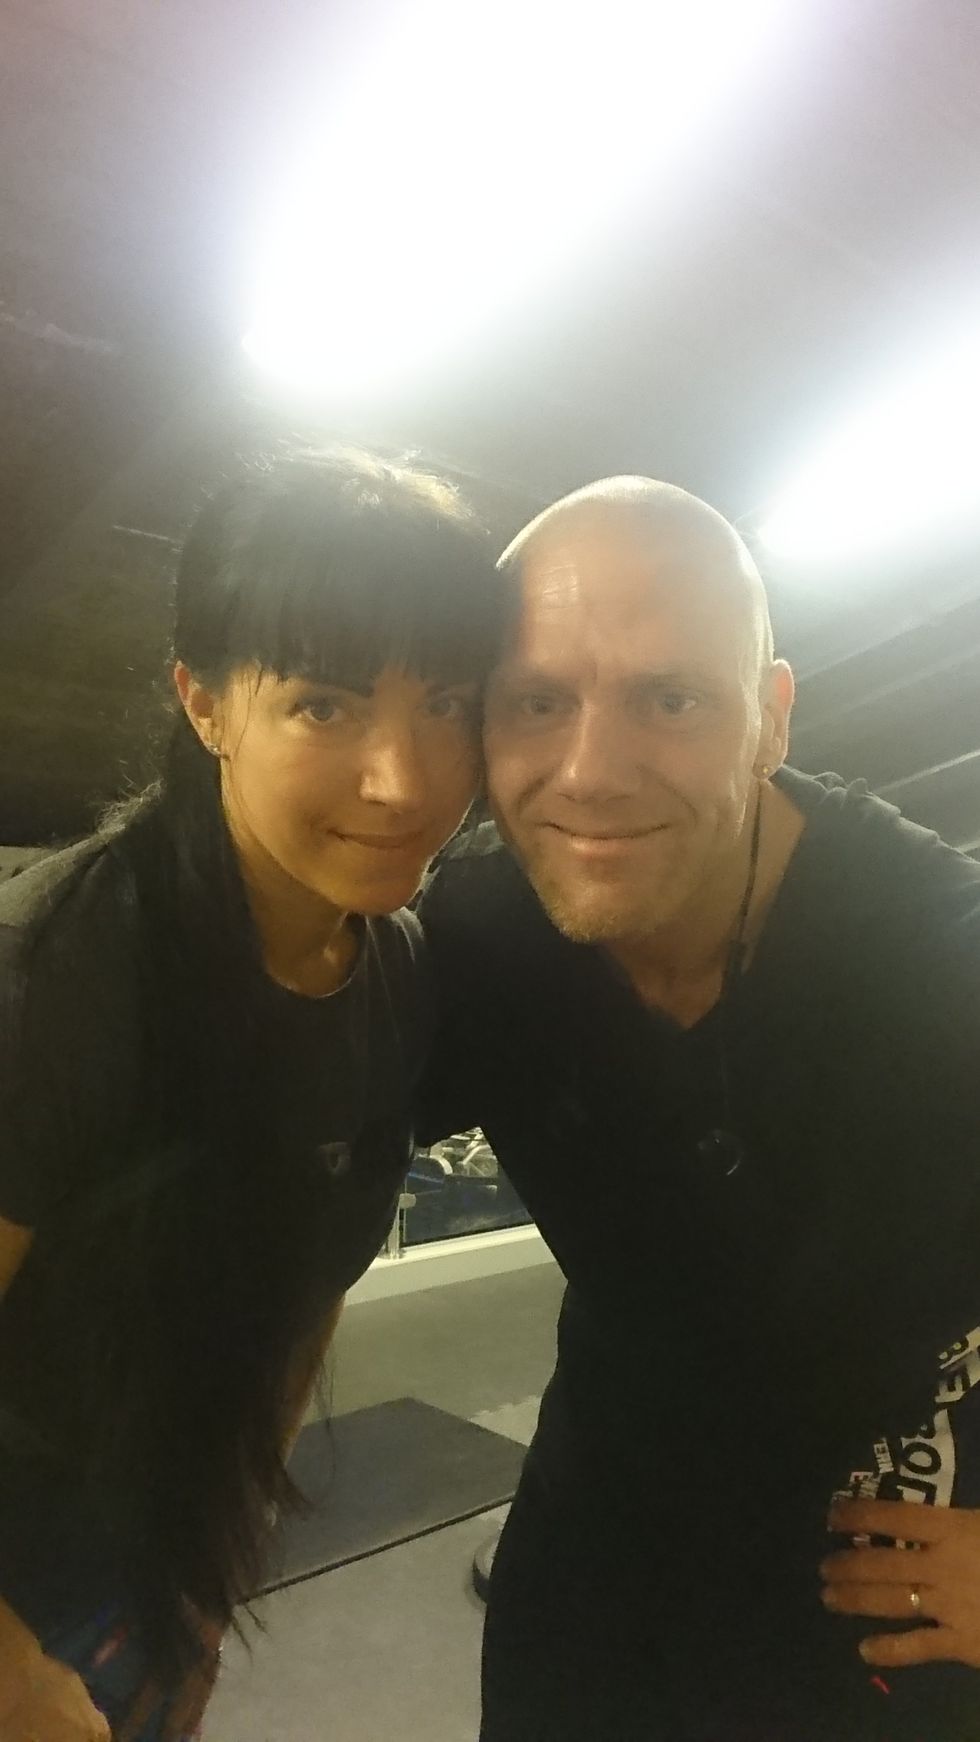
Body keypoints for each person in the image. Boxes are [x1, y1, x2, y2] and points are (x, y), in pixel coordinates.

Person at [418, 477, 980, 1740]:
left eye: (668, 699)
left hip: (876, 1565)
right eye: (537, 702)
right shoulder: (481, 932)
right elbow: (258, 1174)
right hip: (596, 1547)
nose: (589, 773)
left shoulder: (942, 968)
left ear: (768, 717)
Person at [0, 449, 501, 1740]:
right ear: (205, 703)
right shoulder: (60, 975)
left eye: (445, 703)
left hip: (140, 1566)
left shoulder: (393, 971)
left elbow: (300, 1296)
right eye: (323, 704)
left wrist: (205, 1582)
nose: (402, 779)